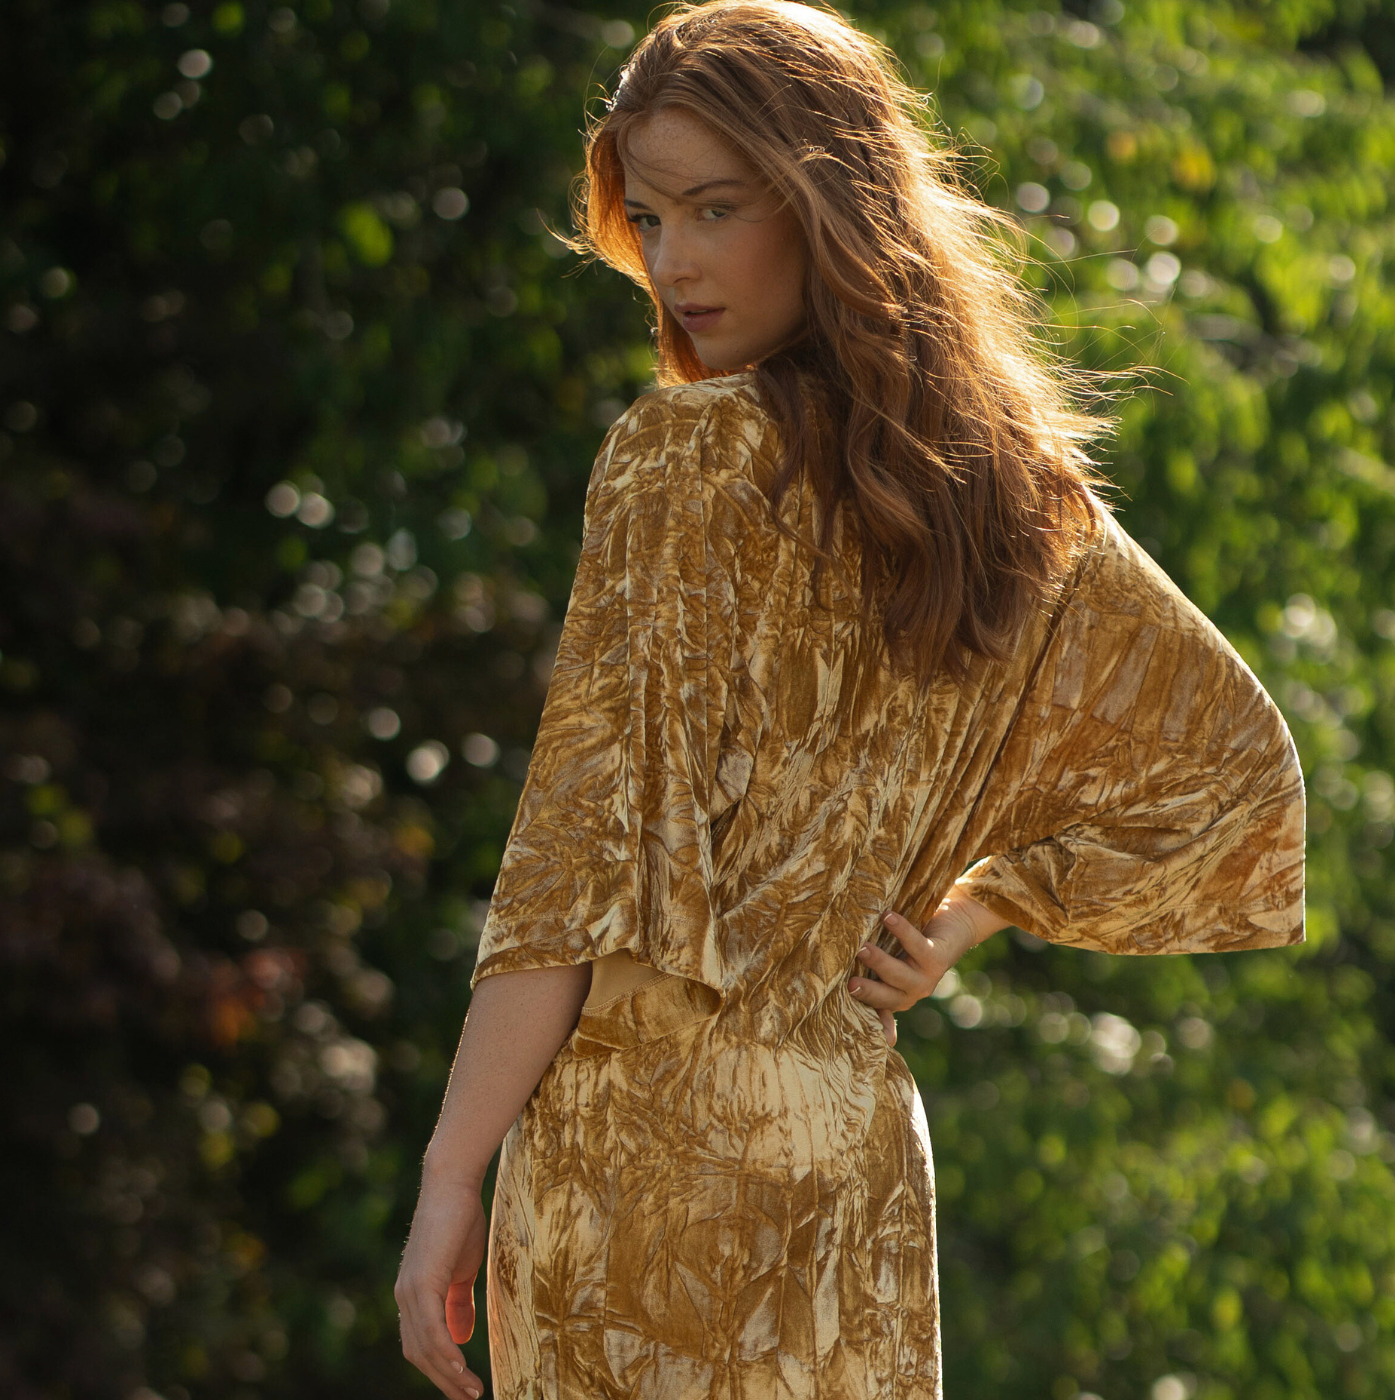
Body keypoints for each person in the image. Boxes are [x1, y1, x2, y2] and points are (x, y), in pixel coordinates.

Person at [394, 2, 1306, 1396]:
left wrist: (451, 1173)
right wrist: (983, 906)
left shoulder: (678, 458)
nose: (678, 261)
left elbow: (573, 873)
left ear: (828, 201)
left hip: (642, 1161)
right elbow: (1240, 776)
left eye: (717, 207)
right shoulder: (1013, 492)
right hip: (852, 1156)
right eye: (651, 218)